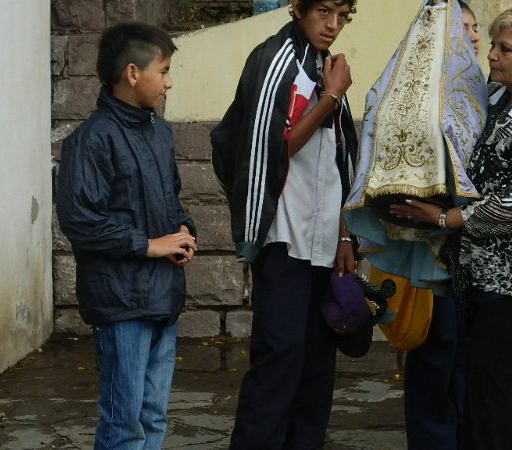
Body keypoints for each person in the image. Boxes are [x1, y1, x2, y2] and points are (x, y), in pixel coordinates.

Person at [391, 4, 512, 449]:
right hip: (489, 273)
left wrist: (448, 219)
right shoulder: (498, 99)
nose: (492, 55)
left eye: (506, 49)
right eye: (494, 45)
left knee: (489, 395)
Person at [210, 0, 359, 447]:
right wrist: (331, 97)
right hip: (283, 238)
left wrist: (345, 234)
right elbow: (273, 149)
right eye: (324, 11)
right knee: (279, 358)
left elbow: (338, 161)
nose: (333, 25)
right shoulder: (275, 59)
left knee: (317, 367)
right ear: (297, 7)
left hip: (323, 242)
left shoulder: (323, 64)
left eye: (343, 16)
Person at [343, 0, 486, 447]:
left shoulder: (483, 92)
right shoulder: (409, 94)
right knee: (434, 352)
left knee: (465, 357)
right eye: (463, 27)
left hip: (474, 253)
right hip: (427, 248)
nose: (472, 37)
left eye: (474, 28)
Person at [56, 22, 197, 450]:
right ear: (133, 73)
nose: (169, 82)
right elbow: (80, 220)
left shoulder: (159, 132)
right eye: (164, 70)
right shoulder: (91, 141)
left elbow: (171, 199)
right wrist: (149, 245)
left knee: (153, 416)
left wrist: (184, 229)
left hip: (162, 297)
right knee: (124, 422)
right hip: (120, 302)